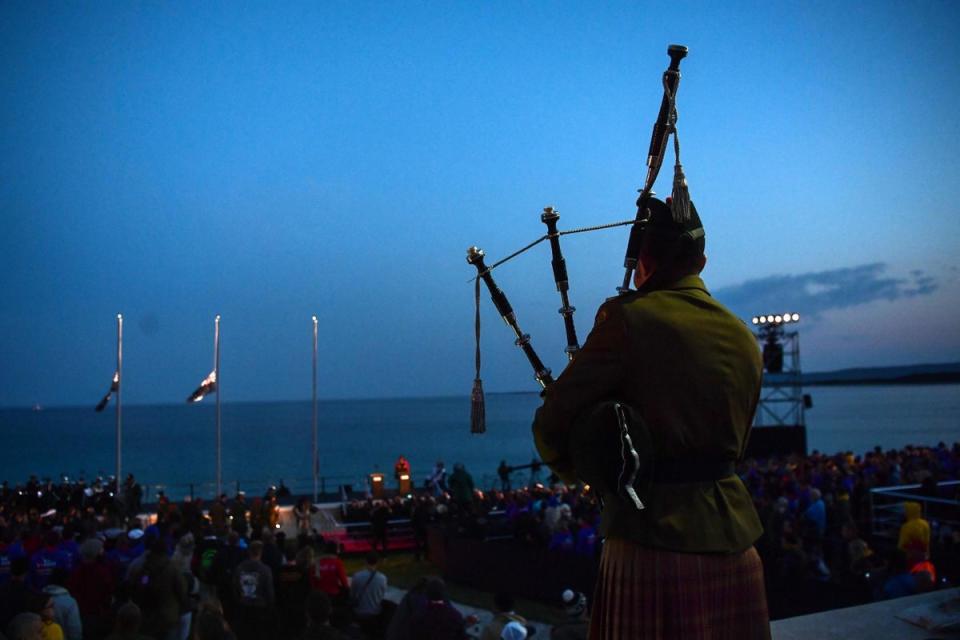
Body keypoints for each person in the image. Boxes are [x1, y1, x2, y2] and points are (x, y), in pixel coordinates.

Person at [532, 197, 770, 639]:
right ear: (701, 261)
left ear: (642, 261)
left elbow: (552, 422)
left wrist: (600, 480)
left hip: (652, 544)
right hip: (738, 545)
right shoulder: (743, 336)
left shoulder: (629, 321)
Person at [231, 541, 274, 640]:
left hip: (244, 605)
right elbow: (269, 591)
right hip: (260, 608)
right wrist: (270, 606)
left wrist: (239, 600)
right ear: (260, 553)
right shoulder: (265, 569)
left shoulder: (239, 568)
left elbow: (235, 586)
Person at [349, 552, 388, 638]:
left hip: (359, 613)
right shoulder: (383, 578)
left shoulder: (357, 576)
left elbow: (352, 595)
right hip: (375, 613)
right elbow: (381, 596)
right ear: (377, 562)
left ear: (365, 561)